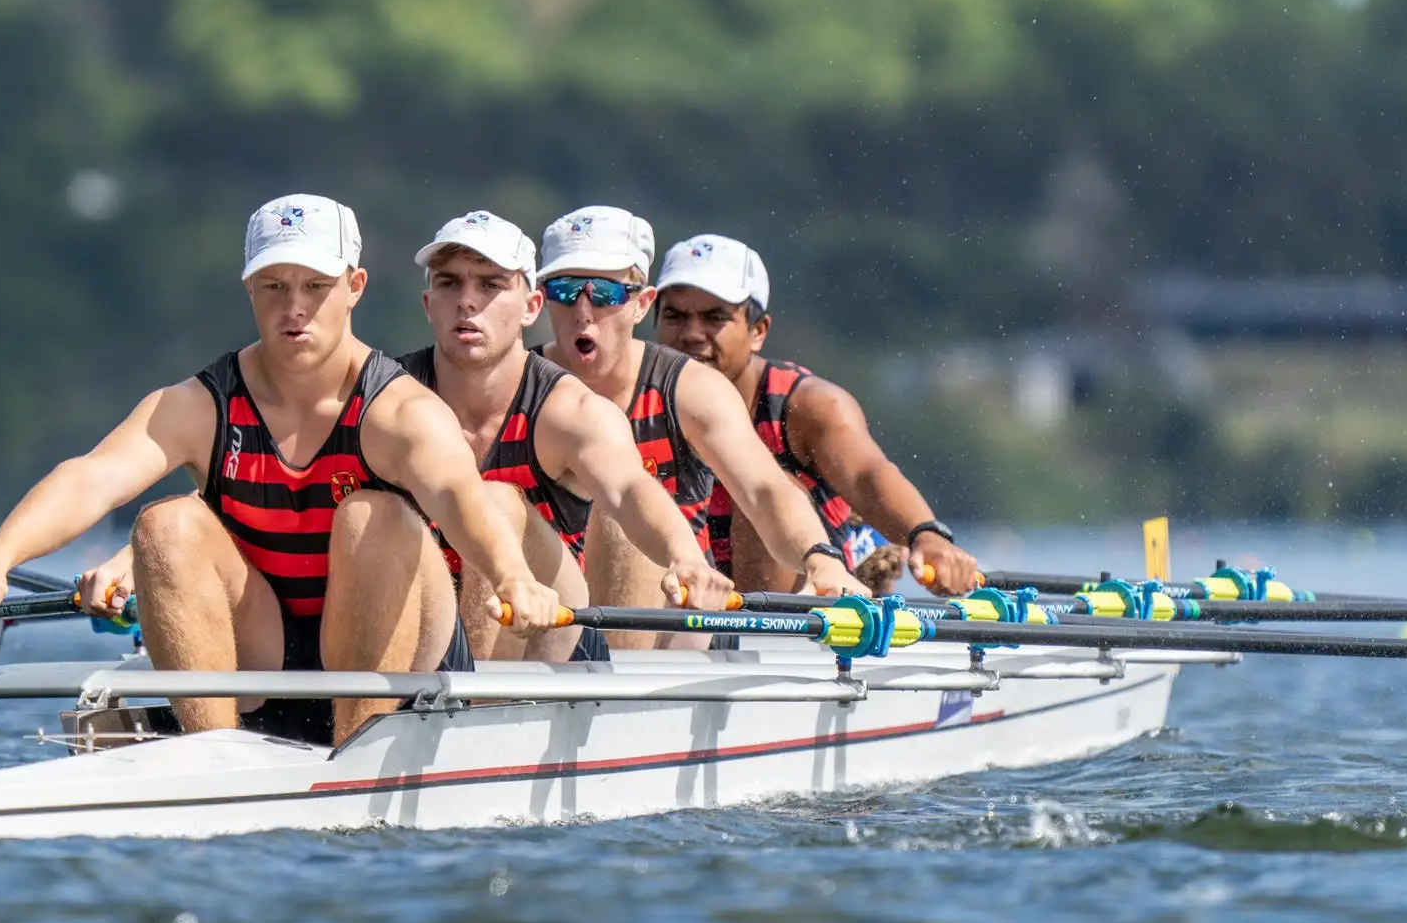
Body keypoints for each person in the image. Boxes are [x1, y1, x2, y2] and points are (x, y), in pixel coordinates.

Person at [0, 194, 560, 746]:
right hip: (263, 656)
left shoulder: (397, 408)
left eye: (315, 286)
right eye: (274, 286)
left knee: (372, 515)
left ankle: (362, 749)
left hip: (401, 661)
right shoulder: (201, 404)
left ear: (355, 286)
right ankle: (212, 753)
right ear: (249, 290)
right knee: (166, 525)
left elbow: (457, 492)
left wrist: (512, 577)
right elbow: (93, 477)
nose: (295, 308)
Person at [400, 210, 735, 661]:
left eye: (490, 285)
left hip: (549, 628)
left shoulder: (569, 409)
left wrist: (686, 556)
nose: (467, 302)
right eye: (449, 283)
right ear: (428, 304)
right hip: (427, 624)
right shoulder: (392, 396)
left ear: (530, 307)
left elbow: (629, 489)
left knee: (499, 502)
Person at [532, 206, 870, 649]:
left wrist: (819, 557)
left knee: (621, 518)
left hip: (675, 626)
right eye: (566, 288)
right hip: (541, 622)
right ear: (538, 298)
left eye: (605, 293)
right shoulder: (515, 383)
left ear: (641, 303)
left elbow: (764, 491)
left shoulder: (690, 389)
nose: (582, 311)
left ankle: (619, 702)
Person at [653, 232, 981, 596]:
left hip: (809, 604)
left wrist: (927, 534)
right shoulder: (628, 394)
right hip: (687, 601)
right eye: (675, 316)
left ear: (757, 332)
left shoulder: (809, 406)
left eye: (715, 318)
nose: (692, 334)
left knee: (763, 487)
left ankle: (763, 638)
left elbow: (866, 475)